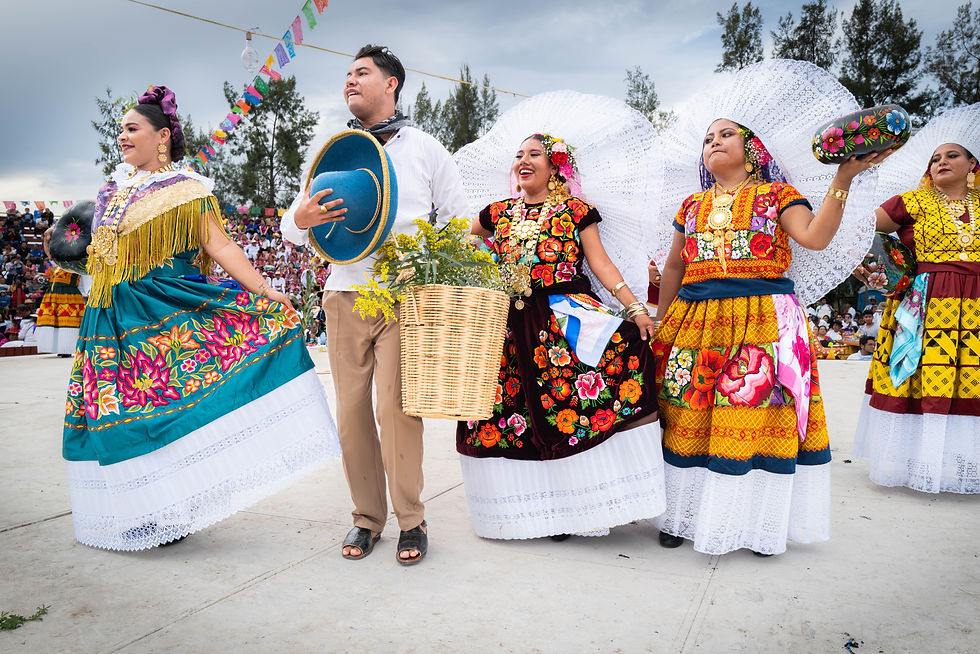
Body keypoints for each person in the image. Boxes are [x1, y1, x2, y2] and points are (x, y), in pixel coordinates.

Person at [55, 85, 341, 551]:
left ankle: (171, 509)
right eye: (120, 129)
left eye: (131, 128)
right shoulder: (113, 191)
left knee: (164, 414)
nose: (122, 136)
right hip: (108, 317)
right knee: (115, 414)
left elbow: (220, 245)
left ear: (162, 136)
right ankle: (138, 511)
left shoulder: (187, 191)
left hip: (161, 311)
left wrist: (267, 291)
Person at [650, 59, 888, 556]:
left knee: (755, 417)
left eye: (726, 134)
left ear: (753, 149)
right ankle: (684, 517)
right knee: (688, 413)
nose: (714, 141)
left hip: (763, 318)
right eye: (708, 138)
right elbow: (673, 267)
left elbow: (815, 238)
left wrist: (844, 176)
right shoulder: (690, 205)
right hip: (695, 320)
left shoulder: (778, 194)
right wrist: (662, 319)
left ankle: (755, 525)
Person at [281, 44, 469, 565]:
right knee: (351, 414)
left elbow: (460, 219)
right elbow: (292, 227)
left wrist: (435, 266)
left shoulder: (425, 148)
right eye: (347, 73)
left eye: (361, 72)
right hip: (343, 292)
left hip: (403, 296)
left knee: (397, 409)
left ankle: (411, 519)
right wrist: (302, 219)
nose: (350, 80)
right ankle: (367, 518)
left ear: (391, 84)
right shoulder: (333, 149)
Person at [454, 114, 666, 540]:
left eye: (534, 154)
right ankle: (536, 514)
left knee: (583, 397)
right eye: (519, 155)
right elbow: (456, 241)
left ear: (555, 166)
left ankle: (589, 505)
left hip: (563, 316)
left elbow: (601, 264)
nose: (523, 161)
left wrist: (634, 308)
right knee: (514, 415)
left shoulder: (575, 211)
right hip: (509, 323)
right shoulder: (497, 213)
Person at [853, 104, 980, 494]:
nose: (941, 162)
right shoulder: (912, 202)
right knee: (921, 380)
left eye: (952, 155)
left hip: (976, 305)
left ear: (973, 164)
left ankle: (967, 468)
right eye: (935, 158)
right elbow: (857, 228)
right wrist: (863, 264)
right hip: (925, 304)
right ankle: (918, 465)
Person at [34, 265, 85, 356]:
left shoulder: (77, 265)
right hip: (52, 296)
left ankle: (68, 349)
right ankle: (58, 348)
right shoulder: (54, 267)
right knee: (54, 322)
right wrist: (40, 278)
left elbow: (84, 283)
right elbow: (47, 279)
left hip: (68, 296)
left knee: (67, 322)